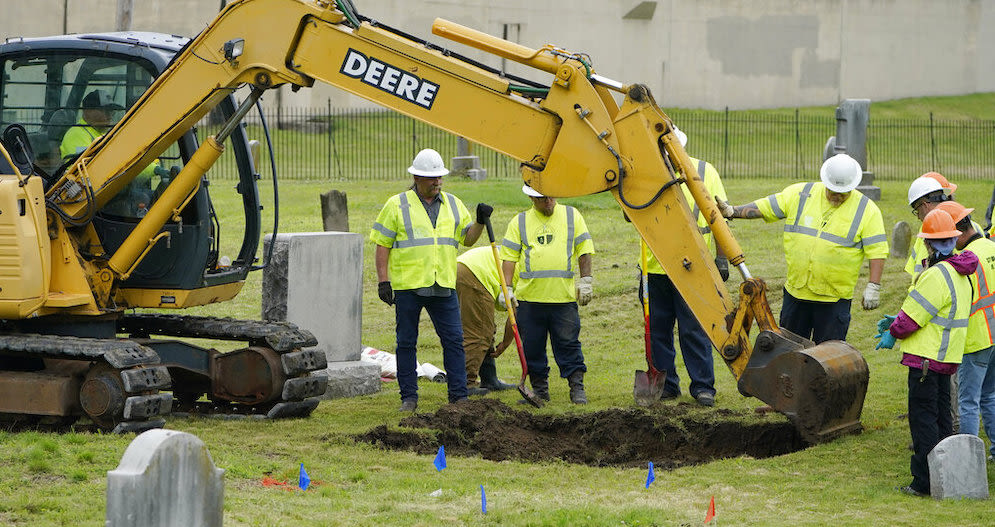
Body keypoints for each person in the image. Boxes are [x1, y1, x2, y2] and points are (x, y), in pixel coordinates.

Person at [716, 153, 888, 343]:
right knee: (789, 353)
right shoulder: (801, 194)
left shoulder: (867, 210)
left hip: (834, 301)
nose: (837, 196)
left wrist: (873, 286)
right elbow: (766, 206)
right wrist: (733, 211)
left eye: (843, 192)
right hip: (796, 296)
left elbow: (877, 251)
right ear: (825, 182)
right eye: (832, 190)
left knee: (827, 360)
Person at [369, 148, 492, 412]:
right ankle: (409, 398)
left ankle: (459, 397)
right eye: (431, 178)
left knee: (454, 341)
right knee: (406, 343)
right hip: (409, 286)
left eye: (439, 177)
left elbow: (467, 238)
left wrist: (480, 222)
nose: (437, 182)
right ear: (416, 178)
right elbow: (382, 244)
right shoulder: (397, 205)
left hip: (443, 285)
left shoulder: (454, 204)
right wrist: (383, 281)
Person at [875, 208, 978, 497]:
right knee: (943, 421)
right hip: (946, 359)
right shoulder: (961, 272)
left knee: (923, 423)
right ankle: (948, 477)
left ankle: (924, 483)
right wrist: (897, 318)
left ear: (929, 242)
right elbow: (932, 311)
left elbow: (912, 319)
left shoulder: (935, 274)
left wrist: (892, 332)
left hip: (924, 361)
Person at [643, 127, 728, 406]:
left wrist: (722, 258)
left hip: (695, 266)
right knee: (657, 329)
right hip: (656, 267)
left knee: (694, 328)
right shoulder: (646, 171)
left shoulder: (705, 171)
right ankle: (666, 385)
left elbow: (717, 217)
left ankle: (703, 387)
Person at [500, 184, 594, 404]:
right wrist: (507, 288)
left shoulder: (572, 216)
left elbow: (584, 249)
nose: (548, 201)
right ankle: (540, 391)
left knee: (569, 344)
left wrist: (586, 280)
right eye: (542, 198)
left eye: (551, 196)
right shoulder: (520, 222)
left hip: (563, 298)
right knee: (532, 348)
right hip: (529, 300)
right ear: (532, 199)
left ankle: (577, 389)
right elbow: (509, 258)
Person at [936, 201, 995, 462]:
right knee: (990, 396)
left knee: (968, 401)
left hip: (976, 338)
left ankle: (970, 462)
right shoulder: (991, 247)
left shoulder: (964, 261)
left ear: (957, 232)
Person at [455, 246, 517, 394]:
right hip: (475, 273)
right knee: (479, 331)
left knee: (484, 326)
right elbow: (515, 316)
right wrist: (506, 343)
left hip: (463, 267)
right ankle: (466, 384)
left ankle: (489, 379)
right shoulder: (530, 276)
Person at [59, 89, 121, 161]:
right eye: (105, 111)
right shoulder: (77, 134)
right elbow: (88, 166)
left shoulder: (100, 132)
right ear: (88, 111)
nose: (110, 116)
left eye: (111, 112)